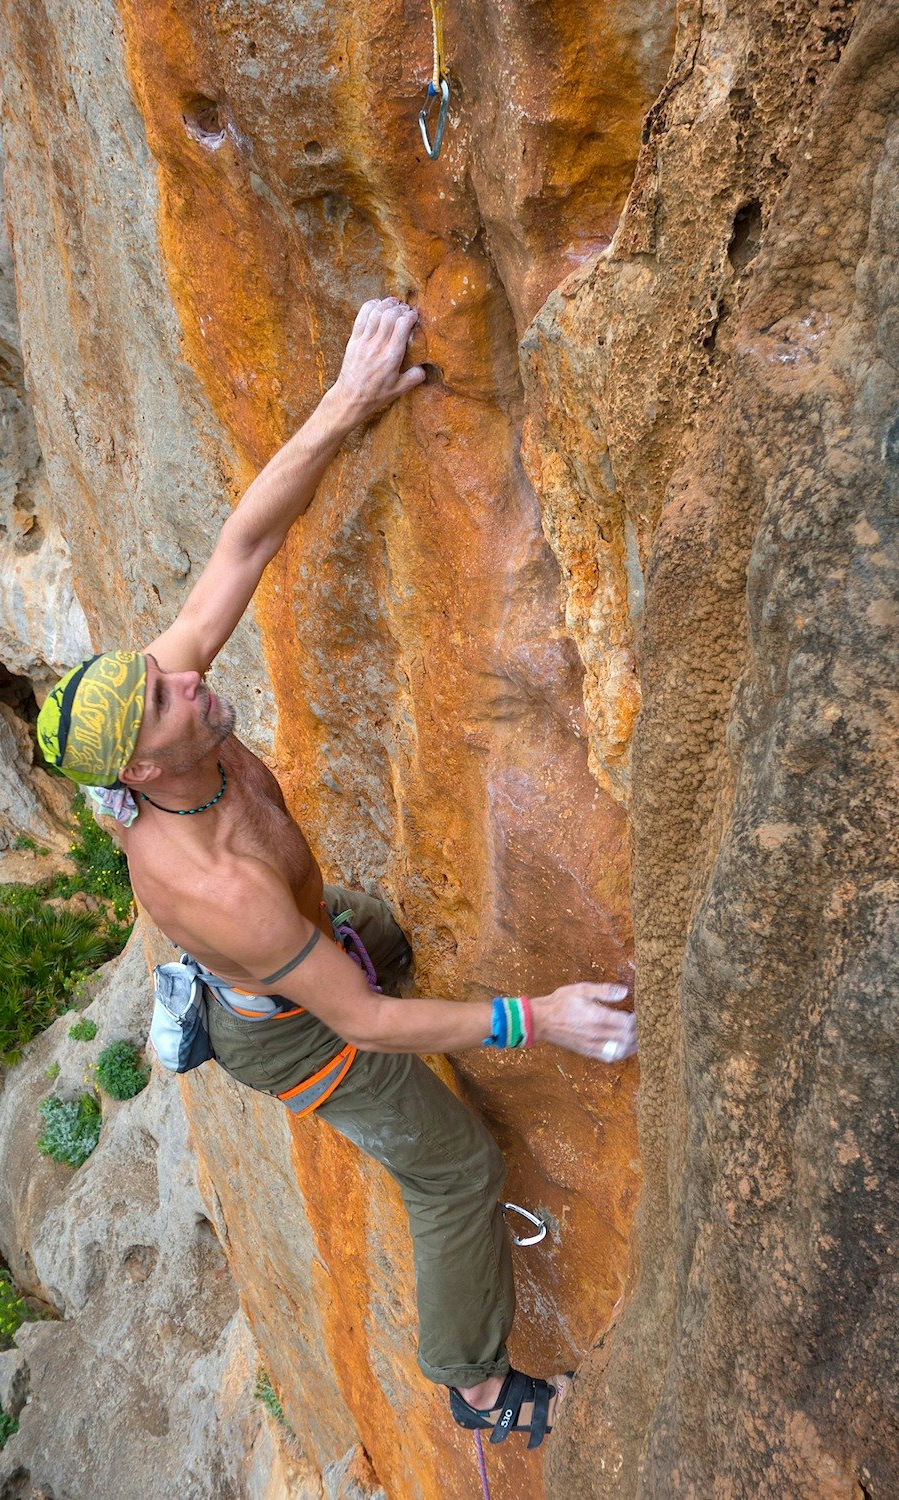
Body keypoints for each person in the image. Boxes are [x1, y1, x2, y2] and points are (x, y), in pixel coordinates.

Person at [36, 298, 637, 1449]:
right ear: (141, 770)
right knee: (454, 1166)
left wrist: (347, 400)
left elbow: (243, 544)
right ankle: (474, 1386)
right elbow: (361, 1019)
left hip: (316, 932)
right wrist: (542, 1017)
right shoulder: (216, 887)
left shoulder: (163, 725)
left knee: (376, 932)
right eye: (164, 700)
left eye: (163, 675)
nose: (188, 677)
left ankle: (281, 976)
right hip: (297, 1032)